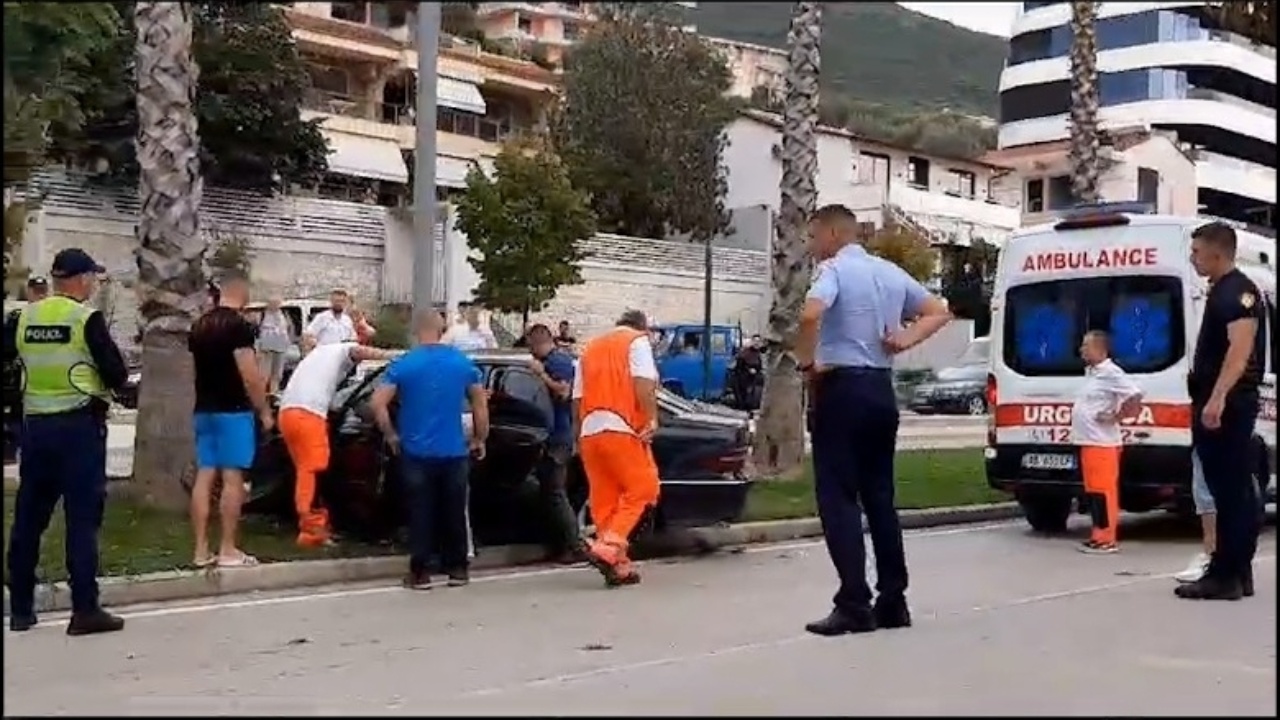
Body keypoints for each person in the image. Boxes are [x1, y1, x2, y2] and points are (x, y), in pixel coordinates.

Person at [795, 204, 952, 636]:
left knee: (839, 496)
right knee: (880, 497)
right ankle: (893, 600)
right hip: (881, 389)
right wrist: (904, 339)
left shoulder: (833, 270)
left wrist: (807, 365)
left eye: (813, 236)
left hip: (842, 387)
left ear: (832, 234)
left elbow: (810, 314)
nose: (811, 245)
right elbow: (938, 310)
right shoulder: (889, 272)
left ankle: (853, 603)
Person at [6, 249, 129, 635]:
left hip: (36, 429)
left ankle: (21, 609)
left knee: (29, 519)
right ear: (81, 279)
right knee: (82, 520)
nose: (93, 284)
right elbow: (116, 373)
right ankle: (85, 610)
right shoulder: (84, 319)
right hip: (79, 430)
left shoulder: (24, 317)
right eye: (92, 277)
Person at [369, 309, 489, 589]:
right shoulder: (462, 363)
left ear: (416, 331)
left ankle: (421, 572)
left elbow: (377, 404)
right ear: (442, 329)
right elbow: (480, 406)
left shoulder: (404, 364)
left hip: (416, 451)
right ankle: (457, 568)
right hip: (454, 451)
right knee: (454, 510)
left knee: (420, 511)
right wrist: (479, 438)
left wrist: (391, 435)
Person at [1178, 221, 1265, 601]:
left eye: (1197, 251)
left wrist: (1217, 398)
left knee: (1230, 492)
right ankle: (1236, 572)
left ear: (1217, 252)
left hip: (1228, 405)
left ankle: (1226, 575)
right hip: (1225, 401)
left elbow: (1239, 350)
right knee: (1230, 490)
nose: (1193, 258)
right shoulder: (1223, 291)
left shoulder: (1236, 291)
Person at [188, 270, 275, 569]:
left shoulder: (200, 326)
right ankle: (227, 549)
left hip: (204, 409)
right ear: (241, 291)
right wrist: (264, 411)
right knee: (232, 478)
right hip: (233, 410)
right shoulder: (239, 327)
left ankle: (200, 550)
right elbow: (249, 375)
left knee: (204, 475)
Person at [278, 341, 401, 547]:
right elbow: (359, 351)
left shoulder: (318, 358)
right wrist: (396, 355)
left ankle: (312, 525)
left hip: (288, 413)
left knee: (305, 471)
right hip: (308, 415)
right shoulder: (341, 350)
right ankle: (313, 531)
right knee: (315, 470)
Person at [572, 309, 662, 587]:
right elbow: (643, 382)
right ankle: (610, 546)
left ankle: (617, 564)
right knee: (644, 489)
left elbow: (577, 397)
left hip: (590, 431)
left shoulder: (589, 350)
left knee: (605, 498)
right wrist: (651, 418)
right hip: (622, 426)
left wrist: (578, 436)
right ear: (642, 327)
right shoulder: (636, 341)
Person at [1071, 331, 1143, 555]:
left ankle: (1107, 539)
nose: (1082, 350)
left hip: (1102, 443)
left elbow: (1135, 395)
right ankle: (1098, 534)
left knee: (1103, 492)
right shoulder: (1093, 373)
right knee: (1094, 492)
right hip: (1088, 441)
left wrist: (1116, 417)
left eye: (1086, 346)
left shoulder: (1111, 372)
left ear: (1100, 349)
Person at [526, 323, 582, 563]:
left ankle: (573, 545)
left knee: (556, 493)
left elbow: (563, 392)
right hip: (550, 434)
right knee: (548, 493)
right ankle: (559, 544)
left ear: (538, 342)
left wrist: (541, 375)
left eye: (531, 346)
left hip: (558, 437)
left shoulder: (557, 361)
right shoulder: (552, 360)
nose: (530, 352)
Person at [4, 276, 50, 456]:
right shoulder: (19, 317)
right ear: (29, 292)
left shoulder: (54, 317)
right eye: (37, 291)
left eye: (42, 291)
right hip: (23, 380)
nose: (40, 295)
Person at [256, 295, 293, 395]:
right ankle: (261, 394)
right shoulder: (262, 314)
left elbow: (289, 328)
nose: (275, 305)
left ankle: (273, 393)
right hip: (266, 349)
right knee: (264, 374)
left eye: (277, 303)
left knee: (277, 374)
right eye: (273, 303)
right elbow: (257, 331)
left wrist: (288, 341)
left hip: (281, 348)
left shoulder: (284, 314)